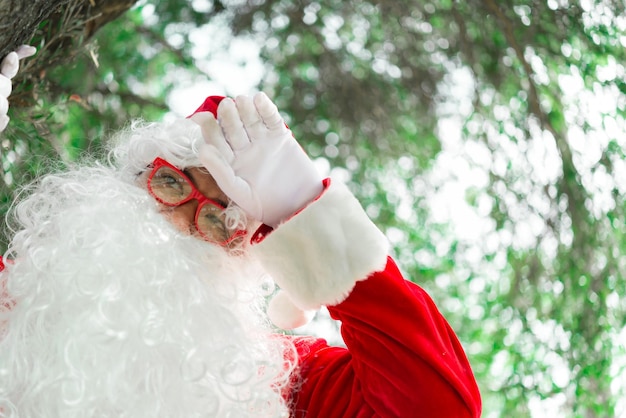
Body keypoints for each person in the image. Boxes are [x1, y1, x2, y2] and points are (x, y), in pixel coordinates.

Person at [0, 48, 482, 417]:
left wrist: (303, 209)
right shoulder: (22, 291)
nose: (181, 224)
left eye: (218, 219)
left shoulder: (280, 382)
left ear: (247, 258)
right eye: (170, 183)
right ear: (122, 186)